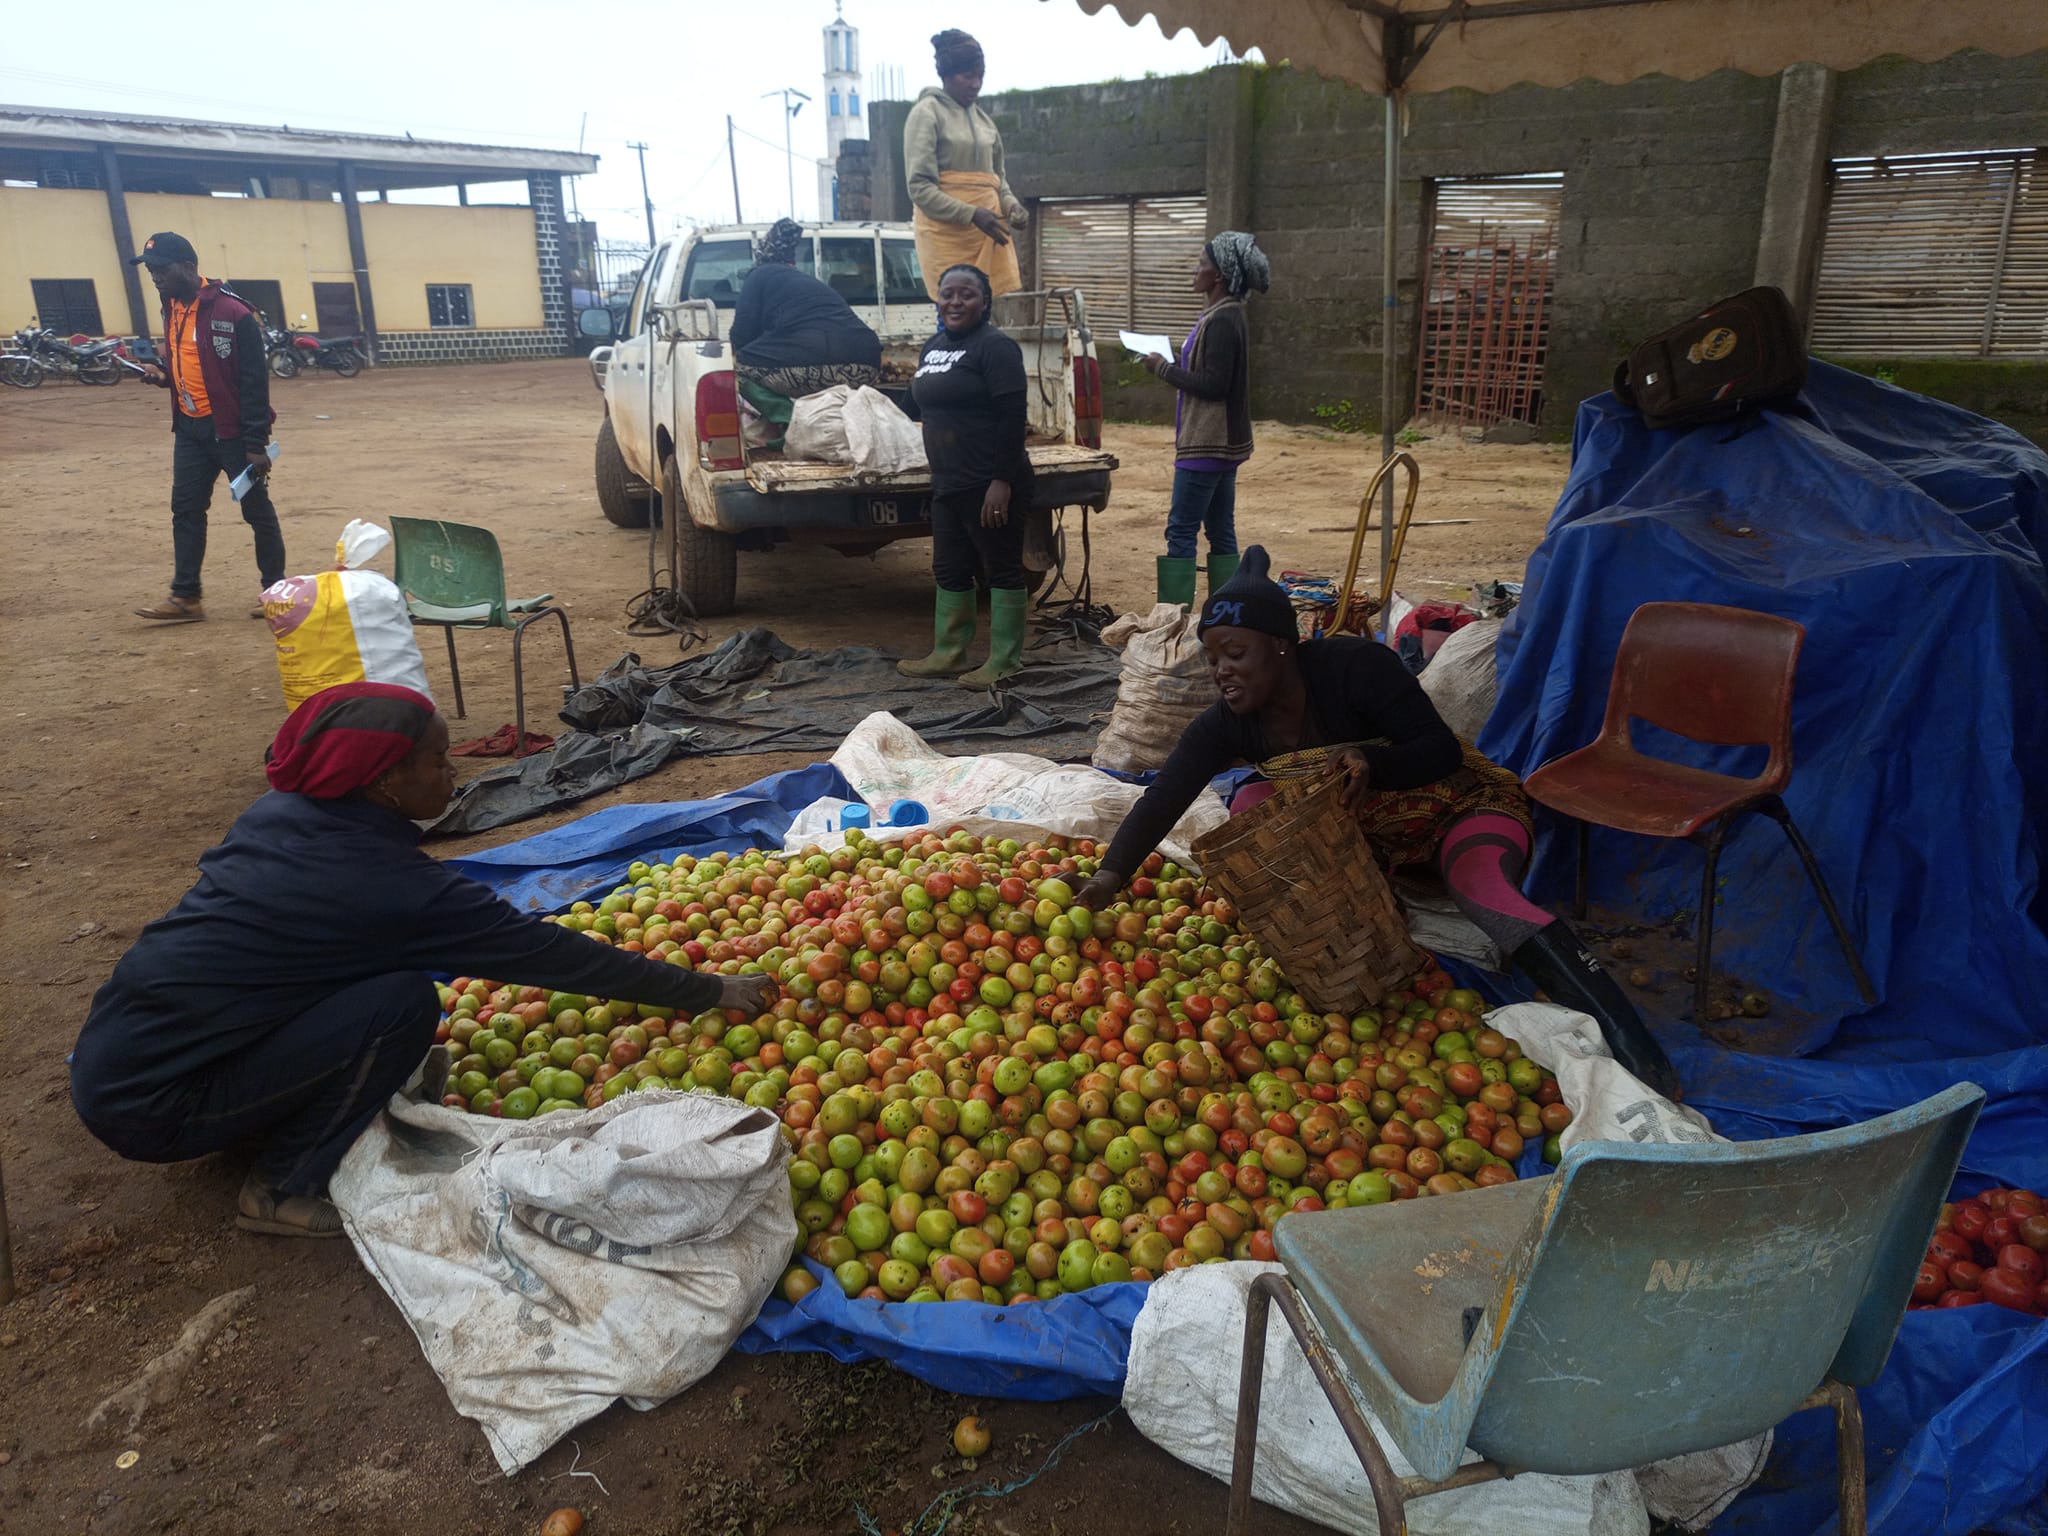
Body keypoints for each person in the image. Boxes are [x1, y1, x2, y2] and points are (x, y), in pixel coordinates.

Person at [69, 682, 780, 1237]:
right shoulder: (392, 889)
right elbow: (551, 957)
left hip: (118, 1053)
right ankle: (278, 1188)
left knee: (363, 984)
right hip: (154, 1105)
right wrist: (711, 989)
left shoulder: (281, 814)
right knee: (401, 1005)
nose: (456, 776)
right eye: (438, 762)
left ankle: (259, 1107)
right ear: (382, 782)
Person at [1071, 549, 1683, 1100]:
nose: (1222, 671)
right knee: (1252, 800)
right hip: (1368, 843)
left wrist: (1372, 760)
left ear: (1282, 646)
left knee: (1485, 894)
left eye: (1236, 653)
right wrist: (1110, 875)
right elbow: (1164, 798)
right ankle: (1370, 924)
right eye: (1213, 658)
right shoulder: (1227, 723)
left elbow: (1439, 751)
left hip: (1454, 808)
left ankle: (1632, 1043)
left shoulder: (1353, 668)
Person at [127, 231, 286, 623]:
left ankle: (276, 592)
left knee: (257, 512)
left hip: (232, 433)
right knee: (185, 509)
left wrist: (255, 443)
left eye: (161, 269)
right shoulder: (171, 307)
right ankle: (186, 598)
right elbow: (192, 363)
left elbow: (253, 384)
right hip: (190, 429)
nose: (156, 277)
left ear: (189, 267)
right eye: (150, 271)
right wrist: (164, 376)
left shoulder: (234, 314)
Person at [897, 263, 1032, 689]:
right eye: (947, 293)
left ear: (985, 301)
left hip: (989, 482)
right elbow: (913, 405)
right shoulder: (933, 347)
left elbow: (1013, 417)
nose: (955, 301)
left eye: (966, 294)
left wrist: (1002, 481)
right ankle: (950, 652)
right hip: (948, 482)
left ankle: (1005, 660)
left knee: (1001, 568)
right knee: (949, 567)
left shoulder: (996, 348)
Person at [1141, 232, 1269, 609]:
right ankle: (1225, 615)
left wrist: (1163, 368)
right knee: (1220, 530)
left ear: (1220, 275)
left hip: (1207, 444)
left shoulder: (1224, 320)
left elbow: (1214, 385)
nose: (1195, 270)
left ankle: (1173, 623)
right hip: (1219, 444)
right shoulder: (1221, 314)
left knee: (1181, 529)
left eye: (1202, 263)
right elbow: (1212, 374)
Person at [731, 218, 885, 449]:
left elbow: (741, 336)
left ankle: (790, 422)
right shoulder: (806, 282)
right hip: (866, 367)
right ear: (791, 261)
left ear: (760, 256)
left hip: (808, 367)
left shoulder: (758, 276)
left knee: (735, 369)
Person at [903, 29, 1028, 302]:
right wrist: (971, 214)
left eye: (980, 76)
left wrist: (1012, 206)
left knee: (984, 314)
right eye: (968, 76)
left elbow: (998, 182)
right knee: (953, 311)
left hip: (987, 233)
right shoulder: (925, 114)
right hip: (945, 237)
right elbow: (920, 188)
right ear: (946, 76)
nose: (976, 84)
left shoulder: (985, 122)